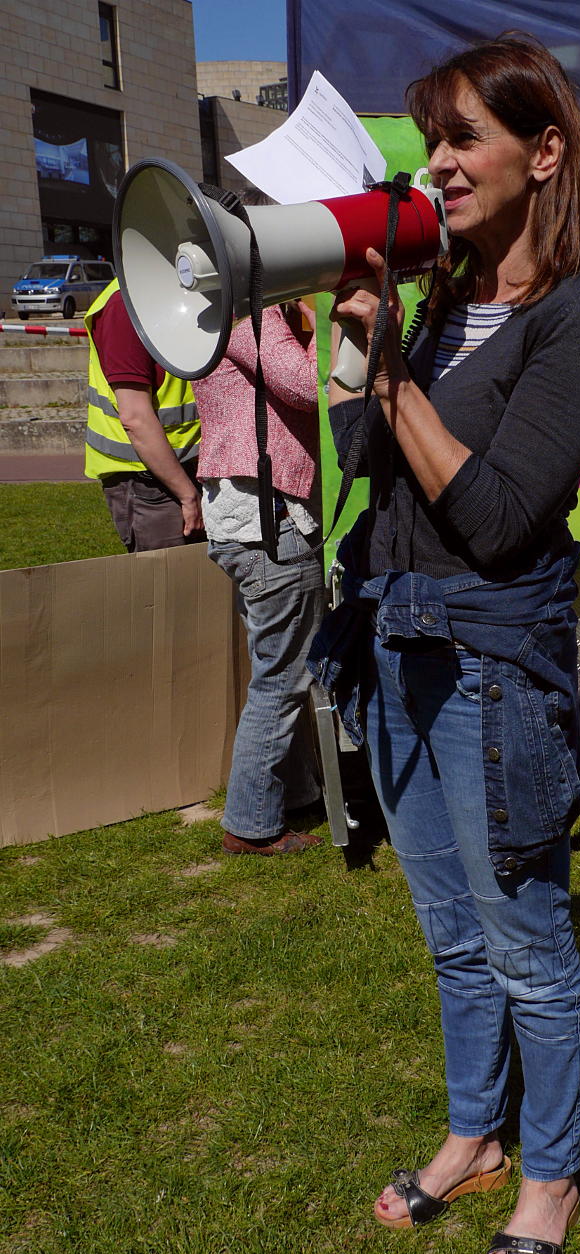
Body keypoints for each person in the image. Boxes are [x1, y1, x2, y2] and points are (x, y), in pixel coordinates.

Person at [310, 34, 580, 1254]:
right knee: (450, 930)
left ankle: (547, 1170)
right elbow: (361, 456)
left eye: (460, 139)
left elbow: (495, 520)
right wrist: (354, 348)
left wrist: (392, 380)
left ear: (541, 153)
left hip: (492, 663)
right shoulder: (440, 299)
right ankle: (472, 1133)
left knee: (527, 938)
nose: (434, 165)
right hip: (395, 641)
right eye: (427, 141)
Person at [193, 186, 325, 856]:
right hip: (269, 512)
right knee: (282, 672)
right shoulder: (249, 308)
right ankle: (250, 822)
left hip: (239, 507)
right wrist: (313, 317)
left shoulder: (204, 305)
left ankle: (293, 793)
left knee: (283, 662)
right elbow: (304, 386)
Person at [85, 279, 204, 552]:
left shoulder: (163, 296)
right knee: (168, 587)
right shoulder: (124, 307)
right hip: (151, 483)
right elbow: (135, 418)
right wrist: (187, 495)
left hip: (178, 475)